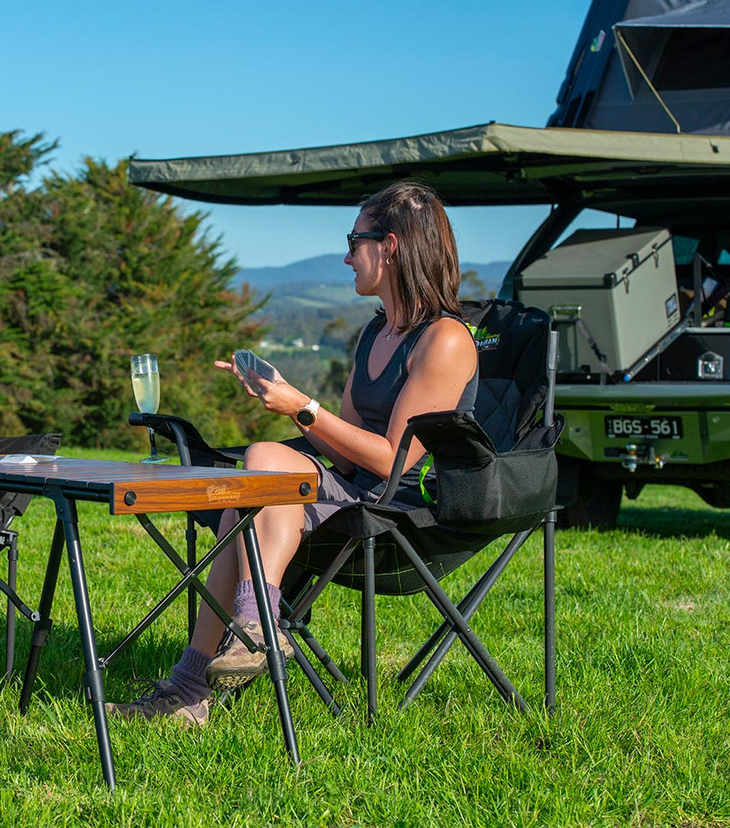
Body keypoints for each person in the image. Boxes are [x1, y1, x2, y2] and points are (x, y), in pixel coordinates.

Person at [106, 180, 479, 726]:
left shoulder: (444, 340)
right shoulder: (378, 333)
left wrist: (303, 407)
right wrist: (282, 399)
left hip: (403, 510)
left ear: (392, 246)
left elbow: (388, 460)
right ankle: (253, 632)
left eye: (356, 240)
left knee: (250, 491)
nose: (348, 255)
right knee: (256, 475)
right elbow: (346, 455)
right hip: (354, 492)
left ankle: (198, 681)